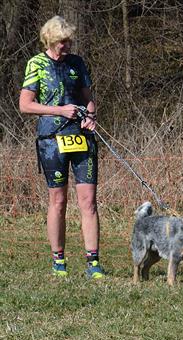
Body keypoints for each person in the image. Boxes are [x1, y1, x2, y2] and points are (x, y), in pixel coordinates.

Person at [19, 15, 104, 278]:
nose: (67, 45)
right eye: (62, 41)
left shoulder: (77, 63)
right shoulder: (37, 64)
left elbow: (88, 100)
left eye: (69, 41)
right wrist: (60, 110)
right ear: (51, 40)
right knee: (58, 200)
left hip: (81, 138)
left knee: (88, 201)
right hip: (51, 140)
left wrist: (89, 117)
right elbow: (25, 104)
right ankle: (59, 261)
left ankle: (93, 264)